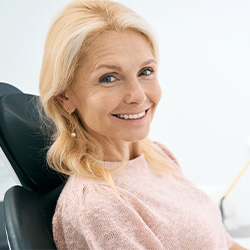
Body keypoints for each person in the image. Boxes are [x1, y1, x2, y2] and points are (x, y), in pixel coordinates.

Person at [39, 1, 246, 249]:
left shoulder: (157, 156)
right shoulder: (98, 205)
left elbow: (224, 242)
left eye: (145, 71)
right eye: (109, 78)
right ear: (66, 97)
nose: (137, 95)